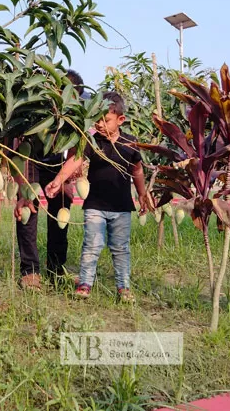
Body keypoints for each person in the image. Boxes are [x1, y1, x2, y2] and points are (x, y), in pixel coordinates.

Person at [44, 91, 153, 302]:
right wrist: (58, 180)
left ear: (121, 120)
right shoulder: (92, 141)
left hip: (121, 207)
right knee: (92, 245)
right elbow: (75, 159)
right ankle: (85, 284)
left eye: (107, 120)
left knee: (120, 248)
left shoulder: (130, 144)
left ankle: (124, 288)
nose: (101, 124)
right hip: (95, 205)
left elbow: (137, 170)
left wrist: (142, 194)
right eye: (97, 119)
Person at [13, 69, 90, 291]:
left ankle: (57, 269)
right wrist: (22, 188)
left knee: (62, 206)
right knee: (28, 210)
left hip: (56, 162)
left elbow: (78, 151)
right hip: (28, 159)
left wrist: (60, 178)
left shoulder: (76, 117)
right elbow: (15, 150)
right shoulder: (32, 108)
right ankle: (30, 271)